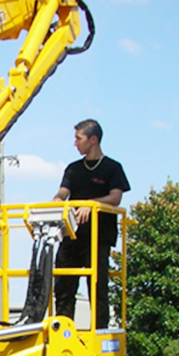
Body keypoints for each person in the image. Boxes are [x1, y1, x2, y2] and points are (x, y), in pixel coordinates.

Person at [52, 119, 130, 330]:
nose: (75, 143)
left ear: (93, 140)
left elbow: (115, 198)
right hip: (72, 235)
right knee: (64, 287)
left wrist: (91, 204)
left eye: (79, 139)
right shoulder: (73, 169)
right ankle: (64, 333)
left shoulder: (112, 168)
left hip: (98, 236)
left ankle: (100, 333)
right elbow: (62, 193)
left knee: (97, 287)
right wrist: (57, 202)